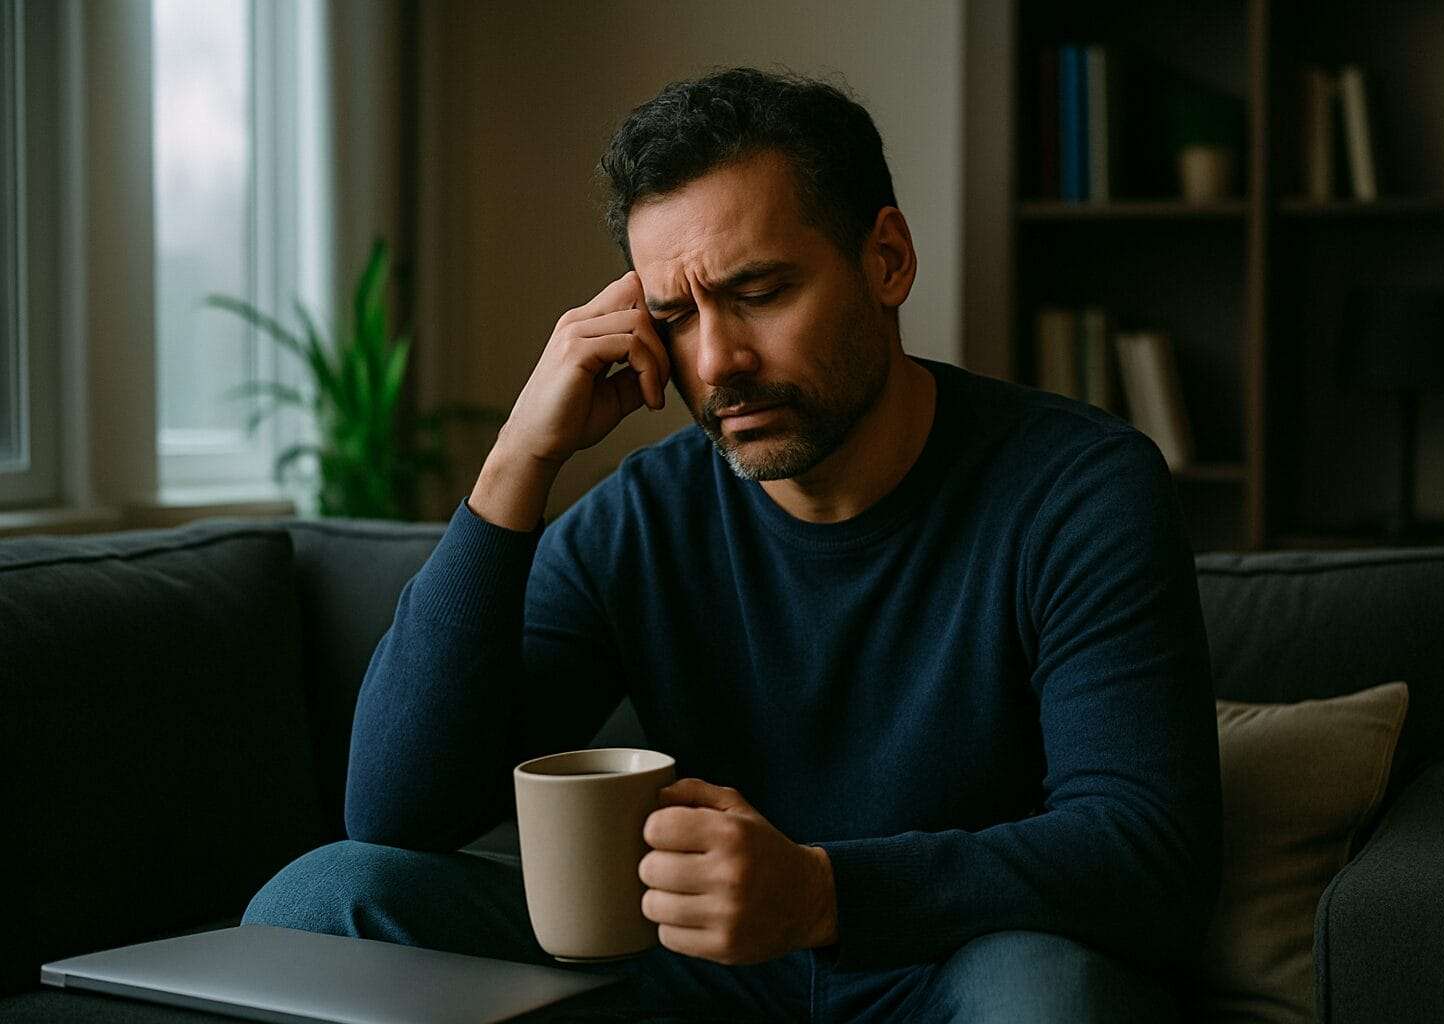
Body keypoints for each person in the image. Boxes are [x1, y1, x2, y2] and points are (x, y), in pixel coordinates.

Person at [245, 66, 1222, 1023]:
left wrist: (824, 891)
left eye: (759, 292)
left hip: (955, 965)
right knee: (321, 900)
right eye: (675, 316)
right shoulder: (642, 519)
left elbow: (1149, 854)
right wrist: (517, 461)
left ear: (887, 259)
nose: (717, 362)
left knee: (1050, 996)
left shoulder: (1078, 488)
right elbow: (396, 817)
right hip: (698, 977)